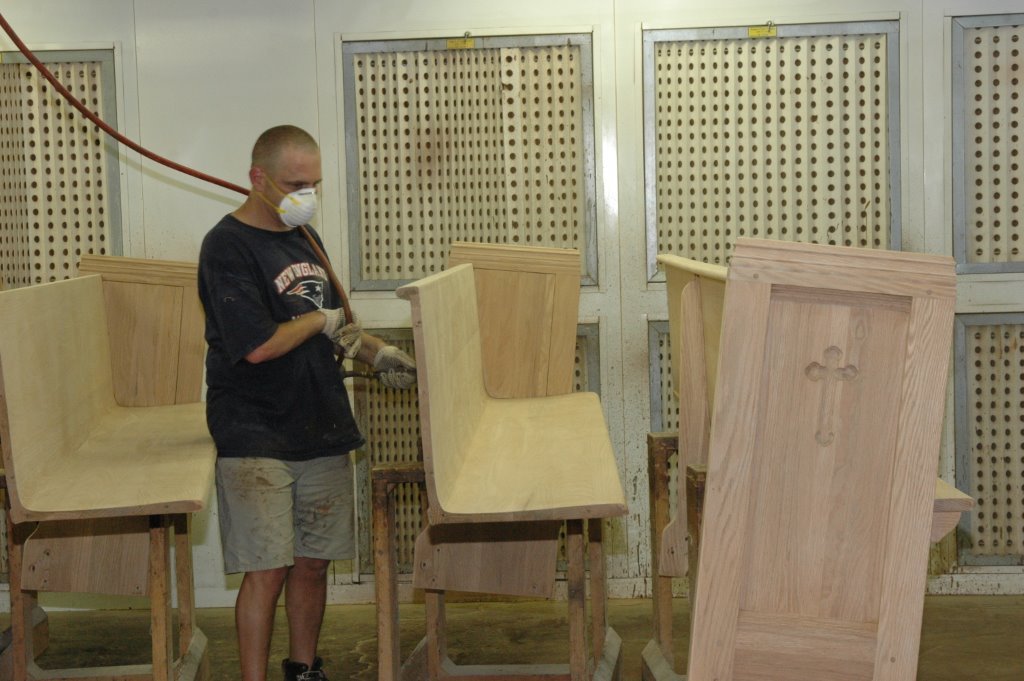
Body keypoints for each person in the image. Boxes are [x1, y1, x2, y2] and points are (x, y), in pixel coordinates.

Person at [198, 124, 416, 681]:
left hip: (320, 425)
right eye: (297, 183)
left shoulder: (305, 239)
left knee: (314, 564)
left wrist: (378, 353)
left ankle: (303, 669)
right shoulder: (226, 246)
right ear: (258, 178)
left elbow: (334, 330)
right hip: (256, 432)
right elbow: (258, 346)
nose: (307, 196)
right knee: (266, 570)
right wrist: (323, 320)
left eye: (314, 183)